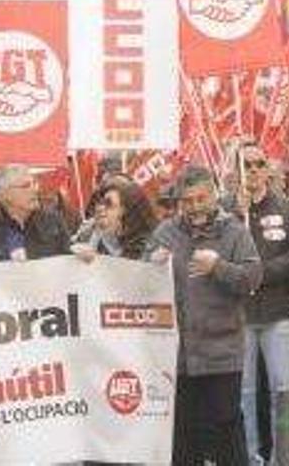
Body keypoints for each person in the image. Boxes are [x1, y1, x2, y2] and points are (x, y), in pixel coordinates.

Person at [145, 166, 262, 465]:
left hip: (222, 354)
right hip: (178, 358)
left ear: (214, 195)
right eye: (188, 201)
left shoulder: (235, 232)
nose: (195, 207)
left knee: (227, 433)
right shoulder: (165, 232)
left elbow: (252, 279)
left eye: (201, 199)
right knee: (183, 438)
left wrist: (219, 267)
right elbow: (140, 282)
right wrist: (151, 266)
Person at [233, 144, 289, 466]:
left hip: (278, 314)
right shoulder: (229, 212)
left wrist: (262, 273)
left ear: (267, 168)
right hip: (241, 315)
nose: (252, 170)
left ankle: (281, 459)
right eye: (246, 164)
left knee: (282, 390)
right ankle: (251, 458)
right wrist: (238, 217)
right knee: (245, 393)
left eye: (258, 164)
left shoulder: (283, 207)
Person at [0, 165, 70, 262]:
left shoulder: (54, 222)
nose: (34, 190)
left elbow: (68, 259)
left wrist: (80, 255)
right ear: (4, 195)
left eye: (34, 184)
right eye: (25, 186)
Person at [72, 180, 157, 261]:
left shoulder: (154, 248)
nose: (100, 208)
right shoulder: (94, 237)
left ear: (127, 211)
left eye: (109, 204)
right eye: (101, 203)